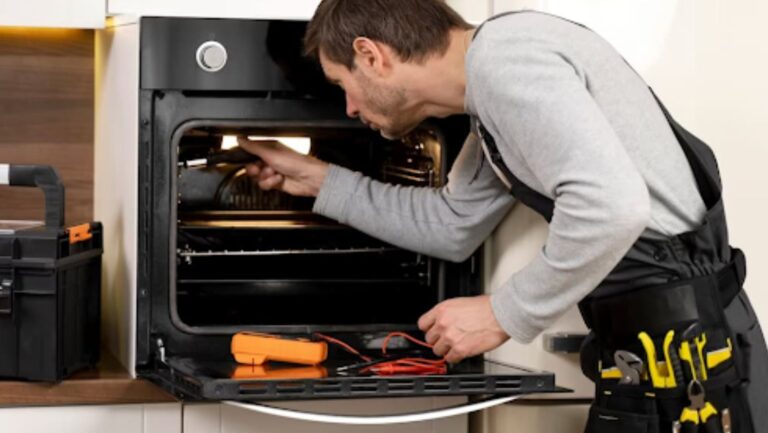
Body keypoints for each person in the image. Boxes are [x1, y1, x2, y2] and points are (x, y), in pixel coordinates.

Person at [239, 0, 768, 431]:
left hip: (691, 358)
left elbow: (613, 207)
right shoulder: (491, 91)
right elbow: (452, 224)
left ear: (371, 55)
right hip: (653, 354)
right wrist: (316, 180)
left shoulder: (505, 61)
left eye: (342, 85)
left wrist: (502, 313)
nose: (350, 108)